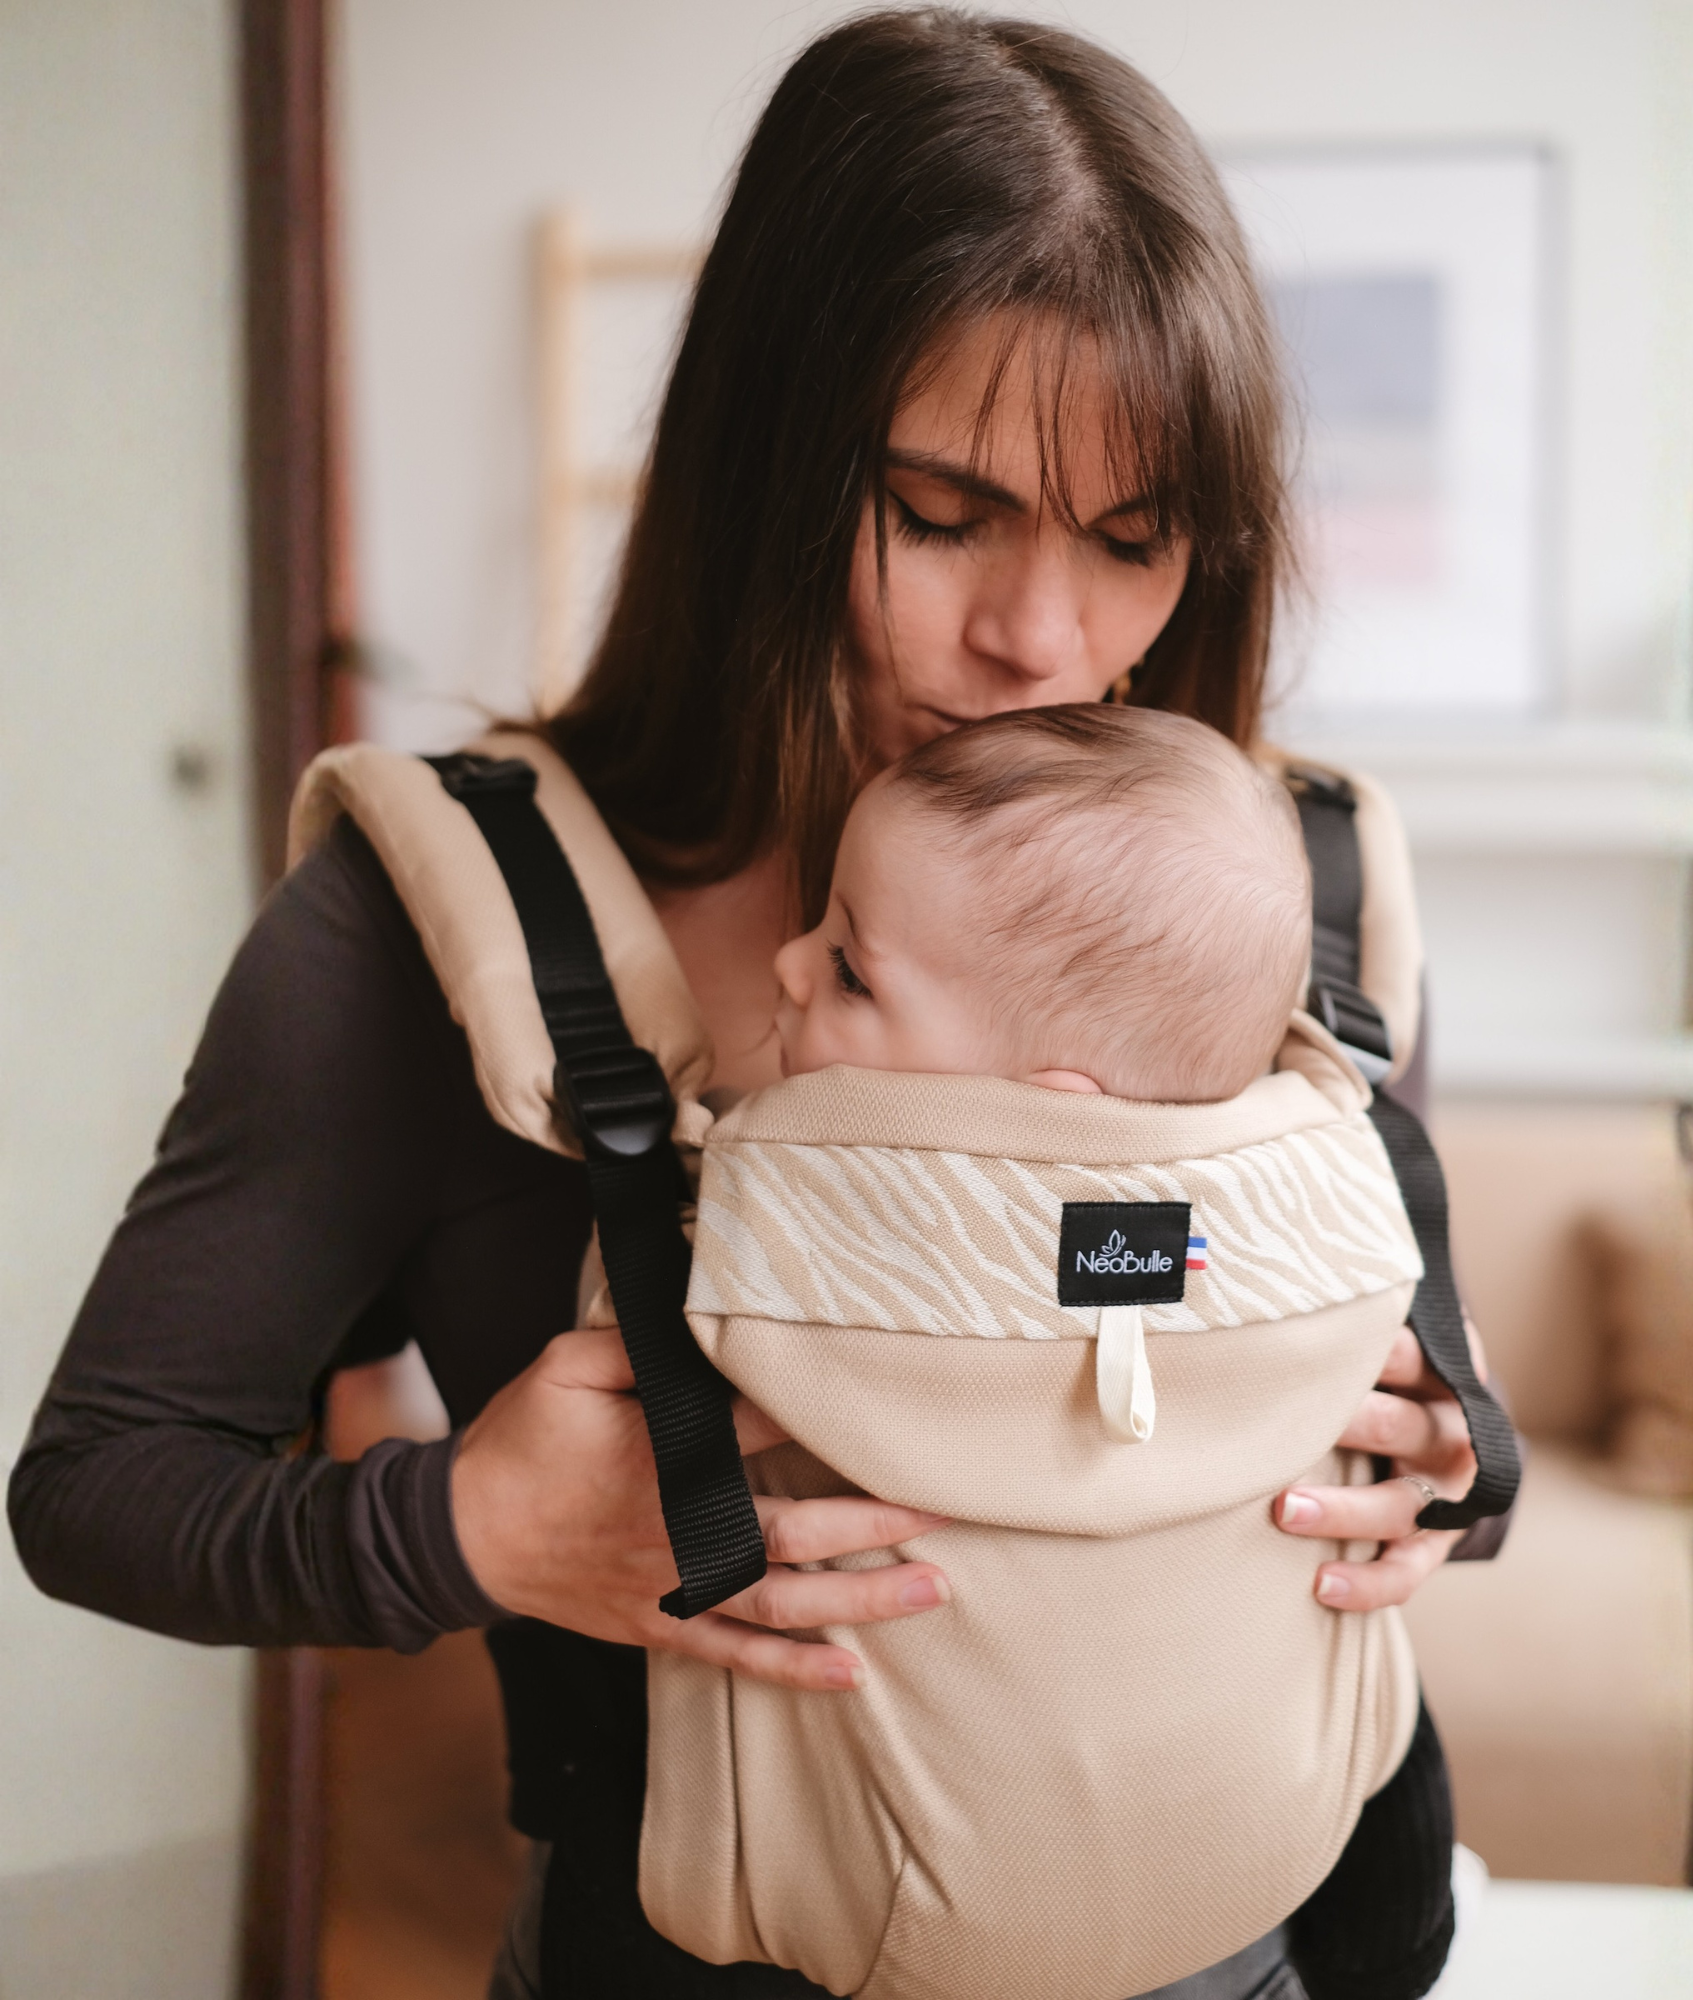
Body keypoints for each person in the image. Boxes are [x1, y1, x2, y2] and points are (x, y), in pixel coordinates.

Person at [9, 12, 1489, 1998]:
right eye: (944, 513)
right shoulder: (443, 920)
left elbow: (1450, 1411)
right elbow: (99, 1491)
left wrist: (1442, 1465)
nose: (1042, 642)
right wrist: (467, 1529)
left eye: (1131, 541)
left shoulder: (1291, 892)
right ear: (766, 465)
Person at [629, 699, 1451, 2000]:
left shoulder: (753, 1233)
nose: (789, 967)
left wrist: (1458, 1464)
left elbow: (1426, 1458)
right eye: (943, 519)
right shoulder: (1326, 1177)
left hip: (946, 1919)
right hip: (1278, 1847)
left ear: (1044, 1107)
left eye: (849, 968)